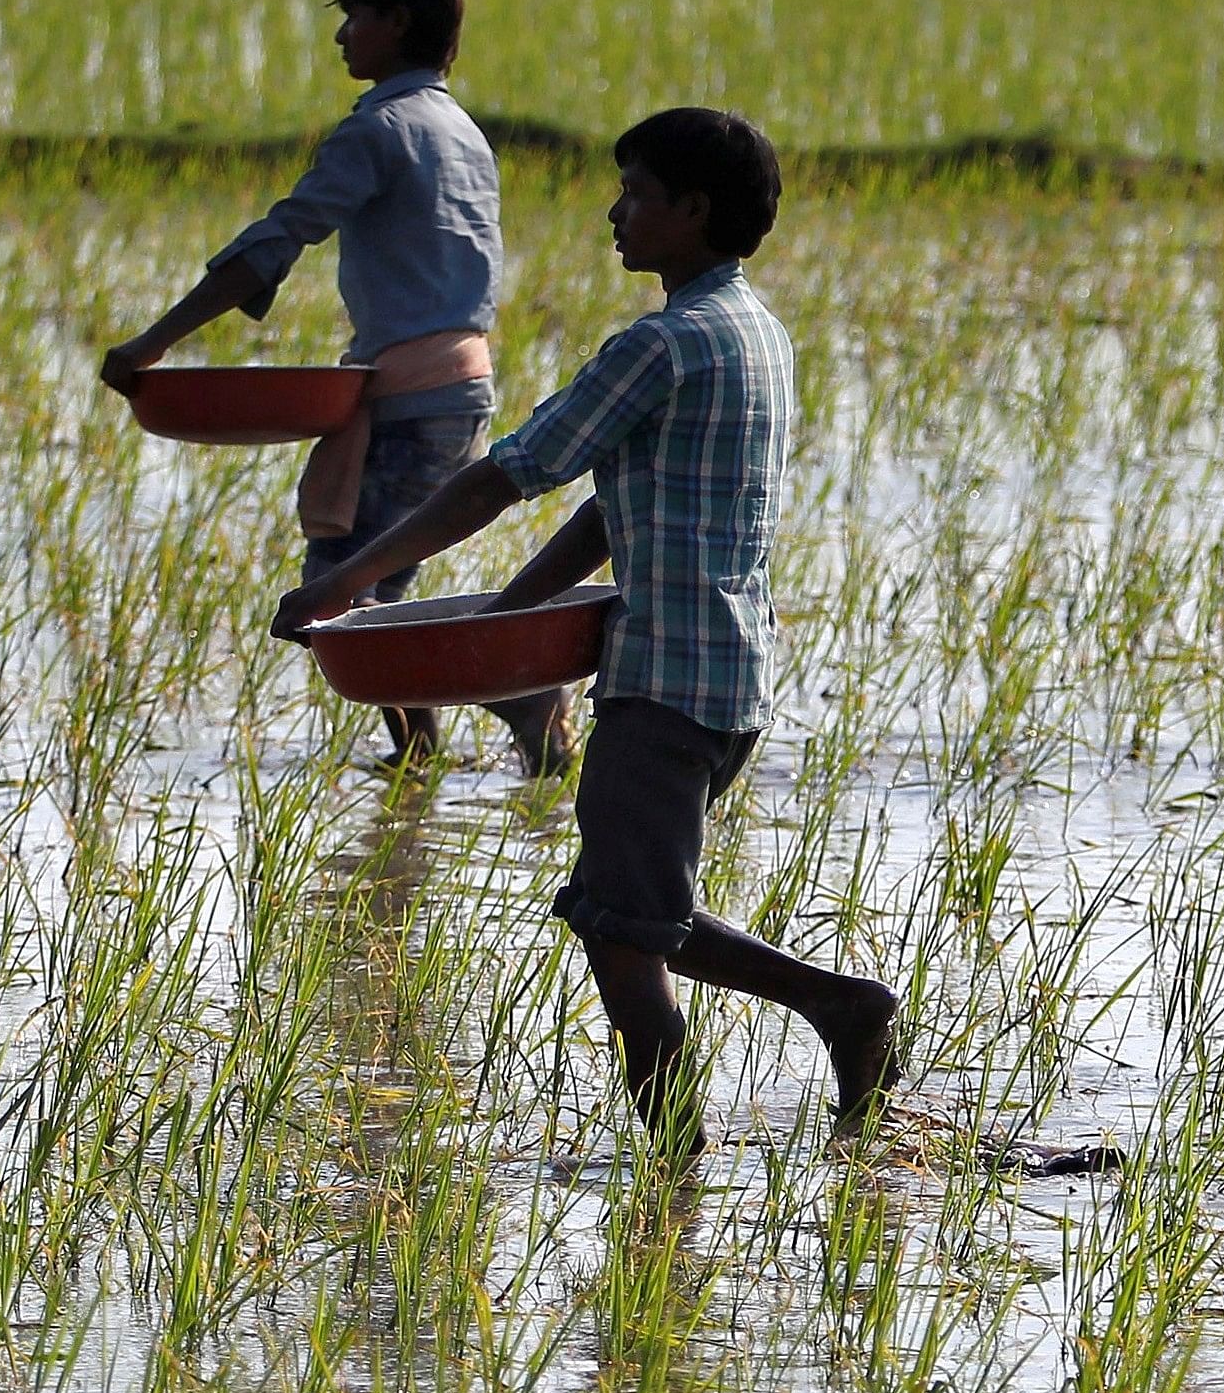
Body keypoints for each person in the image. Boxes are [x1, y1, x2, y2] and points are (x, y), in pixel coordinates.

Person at [273, 109, 900, 1159]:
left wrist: (346, 575)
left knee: (620, 926)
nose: (614, 213)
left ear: (692, 211)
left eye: (635, 194)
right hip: (725, 672)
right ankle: (789, 1051)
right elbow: (619, 505)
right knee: (631, 911)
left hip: (660, 682)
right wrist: (503, 614)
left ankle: (693, 1147)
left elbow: (507, 470)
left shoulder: (657, 345)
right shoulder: (751, 329)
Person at [100, 0, 571, 777]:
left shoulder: (380, 128)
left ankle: (515, 695)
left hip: (419, 392)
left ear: (395, 24)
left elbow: (281, 236)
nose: (342, 37)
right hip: (455, 383)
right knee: (371, 579)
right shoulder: (459, 129)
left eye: (354, 18)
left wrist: (156, 341)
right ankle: (419, 754)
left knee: (345, 587)